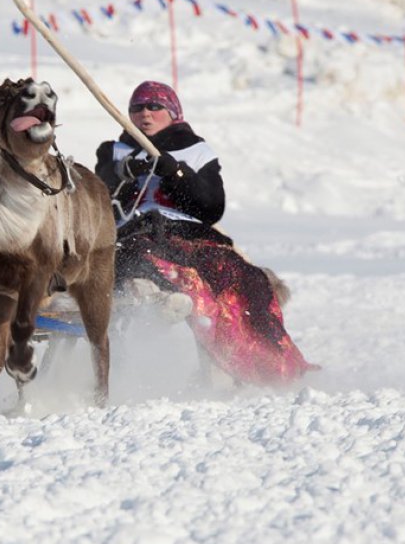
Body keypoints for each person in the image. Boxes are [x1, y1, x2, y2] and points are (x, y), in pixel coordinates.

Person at [94, 81, 298, 354]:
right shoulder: (114, 151)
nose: (145, 114)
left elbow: (211, 208)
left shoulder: (197, 151)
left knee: (240, 277)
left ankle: (258, 355)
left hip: (188, 233)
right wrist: (122, 172)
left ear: (173, 113)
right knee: (137, 253)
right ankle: (158, 297)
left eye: (155, 107)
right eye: (138, 108)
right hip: (132, 231)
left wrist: (177, 175)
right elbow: (97, 194)